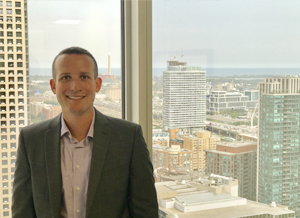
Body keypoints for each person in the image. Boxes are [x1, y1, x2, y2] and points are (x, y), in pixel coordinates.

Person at [12, 47, 158, 218]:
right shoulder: (31, 140)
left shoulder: (128, 137)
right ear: (53, 86)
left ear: (97, 84)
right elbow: (22, 212)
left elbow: (146, 212)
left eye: (84, 77)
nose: (75, 86)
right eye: (66, 77)